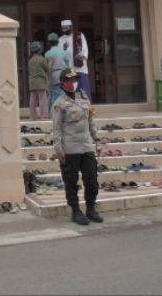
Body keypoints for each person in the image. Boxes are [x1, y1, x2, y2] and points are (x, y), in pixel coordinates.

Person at [51, 68, 103, 226]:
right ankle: (75, 211)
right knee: (71, 182)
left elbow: (91, 120)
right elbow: (57, 129)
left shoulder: (84, 98)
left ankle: (91, 209)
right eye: (70, 80)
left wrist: (97, 139)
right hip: (70, 149)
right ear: (63, 83)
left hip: (86, 147)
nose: (73, 83)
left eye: (75, 80)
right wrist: (59, 150)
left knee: (91, 180)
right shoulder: (59, 104)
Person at [57, 20, 91, 98]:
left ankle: (85, 105)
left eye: (66, 28)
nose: (65, 30)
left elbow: (85, 49)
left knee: (83, 91)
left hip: (80, 68)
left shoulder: (79, 36)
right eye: (63, 28)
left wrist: (82, 56)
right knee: (71, 92)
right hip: (68, 69)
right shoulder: (61, 40)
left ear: (71, 27)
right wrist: (64, 49)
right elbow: (60, 54)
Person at [44, 32, 69, 111]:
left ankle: (52, 111)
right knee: (63, 93)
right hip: (62, 75)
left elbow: (46, 67)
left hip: (52, 76)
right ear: (58, 42)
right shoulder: (64, 52)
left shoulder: (47, 54)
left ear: (49, 43)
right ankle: (63, 111)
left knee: (52, 94)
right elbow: (68, 65)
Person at [27, 41, 51, 120]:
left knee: (33, 100)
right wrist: (50, 62)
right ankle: (43, 116)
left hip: (32, 82)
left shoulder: (30, 61)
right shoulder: (42, 59)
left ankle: (33, 116)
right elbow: (48, 69)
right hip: (41, 81)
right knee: (42, 99)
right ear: (39, 50)